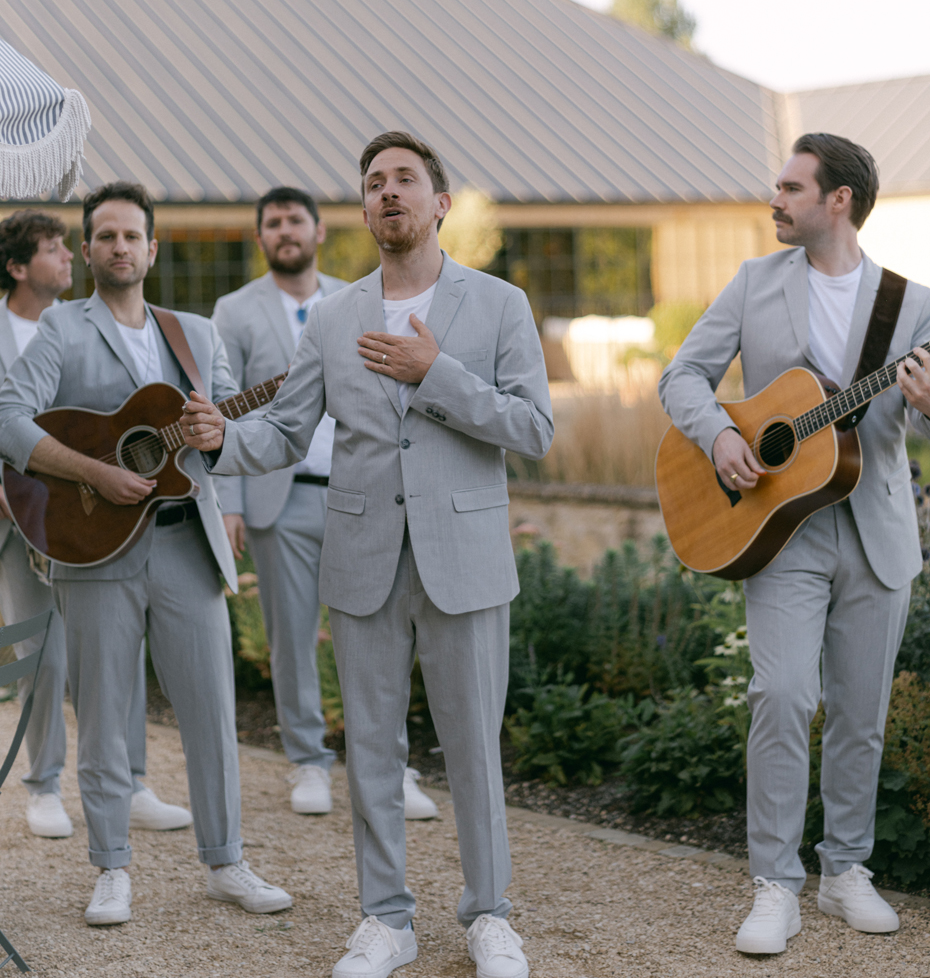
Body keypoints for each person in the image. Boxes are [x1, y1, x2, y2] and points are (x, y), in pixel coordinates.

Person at [181, 132, 554, 978]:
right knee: (373, 751)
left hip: (464, 558)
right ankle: (386, 921)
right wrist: (220, 441)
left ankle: (490, 916)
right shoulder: (334, 316)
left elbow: (533, 428)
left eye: (405, 179)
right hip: (361, 557)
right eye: (375, 182)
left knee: (473, 750)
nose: (388, 191)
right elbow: (285, 431)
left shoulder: (500, 304)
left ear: (440, 203)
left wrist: (436, 372)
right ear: (362, 209)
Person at [659, 133, 930, 955]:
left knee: (861, 713)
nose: (774, 200)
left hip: (877, 528)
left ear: (838, 200)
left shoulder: (913, 304)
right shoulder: (755, 281)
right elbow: (681, 377)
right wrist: (719, 437)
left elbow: (919, 426)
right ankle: (774, 883)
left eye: (790, 188)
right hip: (779, 529)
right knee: (781, 696)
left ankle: (845, 870)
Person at [0, 183, 291, 927]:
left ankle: (226, 863)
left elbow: (238, 437)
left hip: (186, 542)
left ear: (152, 249)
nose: (120, 247)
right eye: (106, 236)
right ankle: (111, 869)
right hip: (94, 546)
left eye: (132, 235)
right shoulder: (61, 327)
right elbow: (6, 415)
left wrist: (217, 435)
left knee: (211, 712)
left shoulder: (196, 333)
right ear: (88, 249)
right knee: (103, 717)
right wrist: (93, 472)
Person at [212, 186, 438, 821]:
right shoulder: (233, 311)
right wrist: (228, 499)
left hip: (360, 495)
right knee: (291, 638)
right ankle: (308, 761)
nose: (285, 230)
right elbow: (225, 405)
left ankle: (392, 765)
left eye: (296, 220)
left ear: (319, 232)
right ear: (261, 237)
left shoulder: (359, 300)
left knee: (378, 635)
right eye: (273, 222)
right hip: (277, 501)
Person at [0, 209, 191, 840]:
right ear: (17, 267)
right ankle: (43, 784)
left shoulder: (89, 326)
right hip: (16, 516)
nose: (67, 256)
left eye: (66, 246)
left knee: (118, 650)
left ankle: (130, 782)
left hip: (94, 514)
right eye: (52, 248)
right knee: (42, 656)